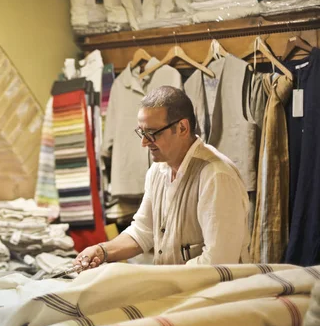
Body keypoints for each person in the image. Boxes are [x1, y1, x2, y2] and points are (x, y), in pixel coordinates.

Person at [75, 86, 250, 270]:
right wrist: (101, 250)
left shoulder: (216, 176)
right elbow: (143, 231)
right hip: (177, 290)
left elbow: (218, 261)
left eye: (152, 133)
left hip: (219, 294)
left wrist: (161, 281)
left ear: (182, 128)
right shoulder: (157, 171)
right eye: (142, 132)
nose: (144, 142)